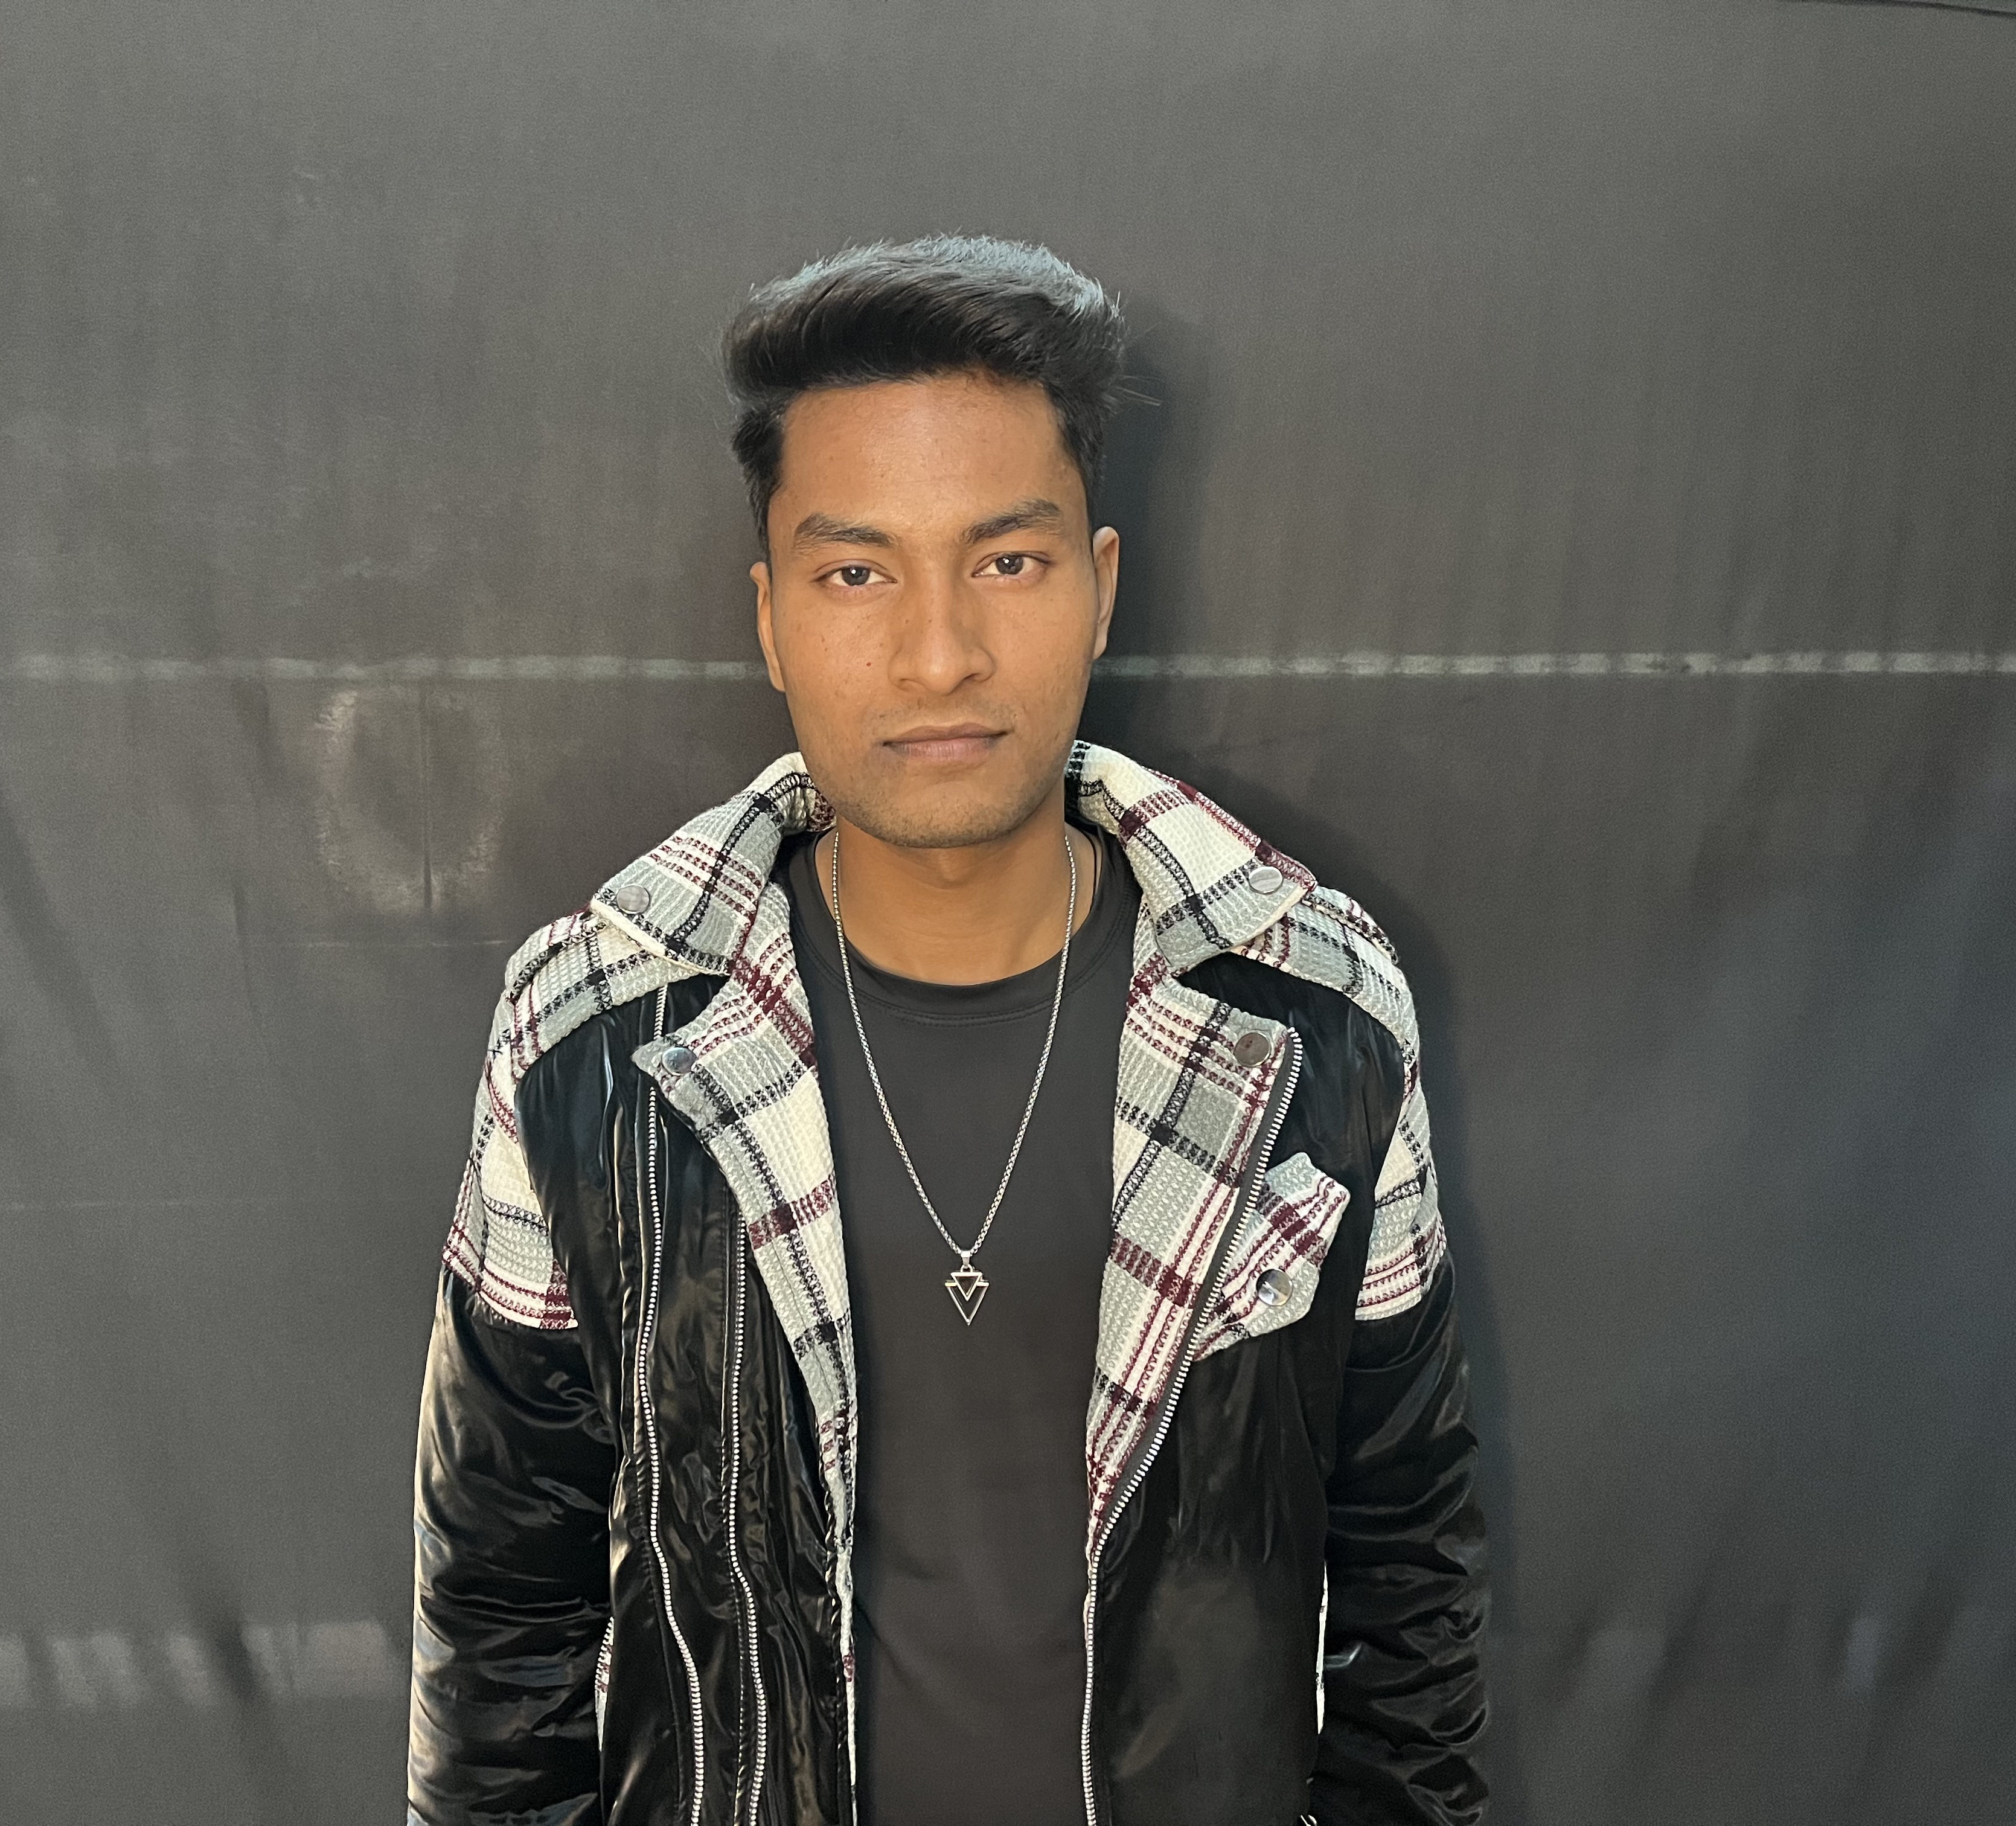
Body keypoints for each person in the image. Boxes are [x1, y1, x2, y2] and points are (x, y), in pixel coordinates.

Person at [406, 235, 1489, 1826]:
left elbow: (1408, 1578)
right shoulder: (590, 1036)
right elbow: (503, 1611)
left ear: (1101, 588)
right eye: (858, 573)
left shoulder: (1315, 1011)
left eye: (1007, 563)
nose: (938, 654)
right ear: (771, 618)